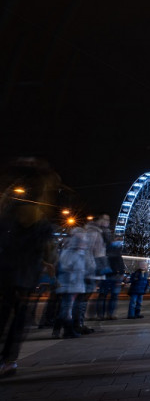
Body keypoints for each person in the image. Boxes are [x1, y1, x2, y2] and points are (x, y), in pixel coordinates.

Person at [0, 158, 59, 377]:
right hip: (26, 276)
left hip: (6, 272)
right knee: (19, 317)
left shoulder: (7, 218)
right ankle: (9, 360)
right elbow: (48, 251)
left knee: (4, 314)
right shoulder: (42, 223)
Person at [95, 214, 126, 320]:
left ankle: (107, 314)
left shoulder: (115, 247)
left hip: (115, 272)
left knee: (110, 295)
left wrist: (121, 271)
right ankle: (103, 314)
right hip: (108, 271)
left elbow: (119, 259)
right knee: (105, 295)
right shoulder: (103, 241)